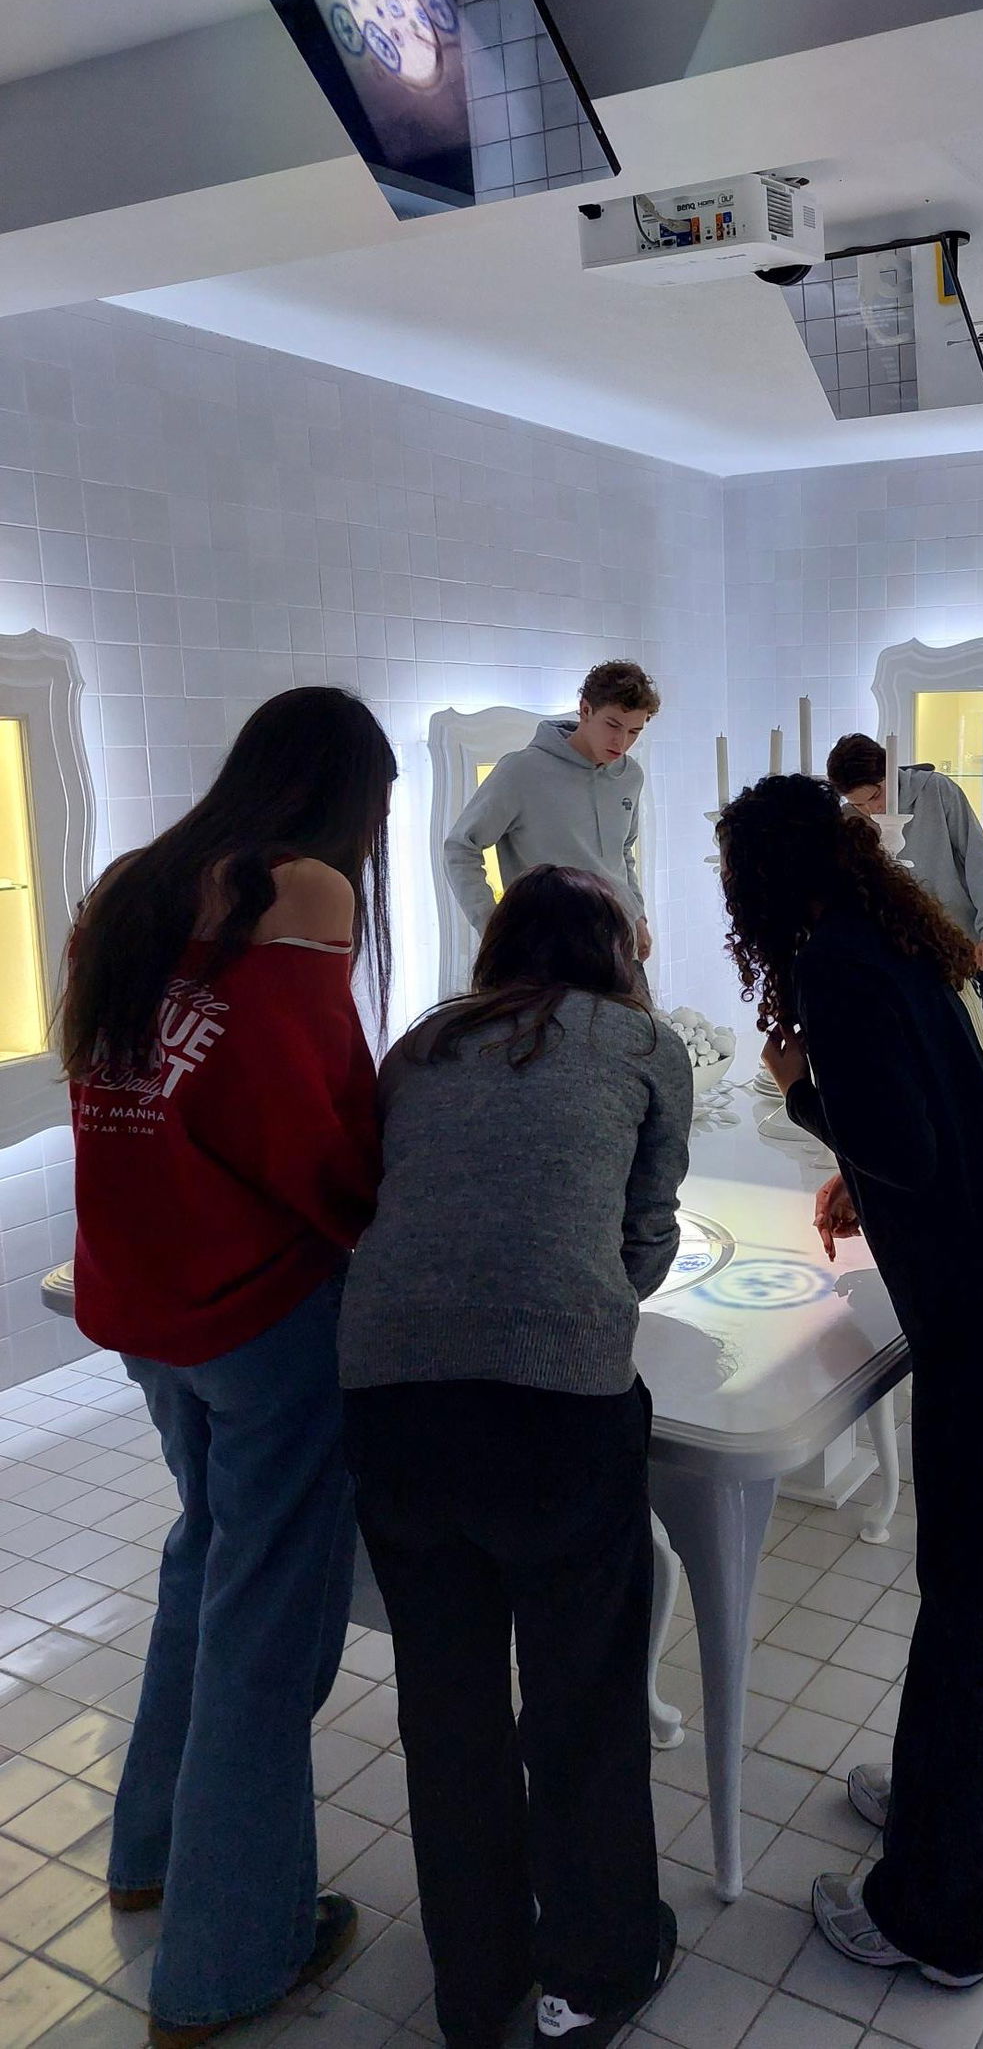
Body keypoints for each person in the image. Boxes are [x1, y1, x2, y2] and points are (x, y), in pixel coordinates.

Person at [717, 775, 983, 1991]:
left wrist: (801, 1095)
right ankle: (973, 1802)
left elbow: (903, 1142)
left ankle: (937, 1912)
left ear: (759, 881)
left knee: (971, 1596)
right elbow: (974, 1110)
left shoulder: (833, 961)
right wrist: (868, 1174)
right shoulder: (902, 933)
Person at [60, 686, 396, 2048]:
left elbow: (118, 1093)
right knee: (268, 1623)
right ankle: (227, 1960)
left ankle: (149, 1852)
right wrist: (393, 1217)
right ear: (350, 799)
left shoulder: (133, 888)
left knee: (203, 1563)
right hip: (264, 1312)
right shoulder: (302, 891)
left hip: (143, 1295)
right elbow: (311, 1118)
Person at [338, 864, 693, 2049]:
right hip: (555, 1416)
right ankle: (591, 1973)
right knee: (581, 1698)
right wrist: (575, 1295)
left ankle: (473, 1981)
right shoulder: (644, 1046)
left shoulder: (423, 1044)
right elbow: (645, 1237)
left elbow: (398, 1198)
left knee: (447, 1706)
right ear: (616, 953)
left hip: (389, 1399)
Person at [443, 658, 658, 961]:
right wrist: (493, 927)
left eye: (634, 731)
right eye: (613, 725)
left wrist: (638, 915)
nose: (621, 742)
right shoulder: (522, 771)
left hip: (619, 948)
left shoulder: (630, 775)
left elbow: (623, 852)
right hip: (548, 954)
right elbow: (460, 847)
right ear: (585, 710)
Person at [825, 732, 983, 1014]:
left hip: (965, 949)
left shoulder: (936, 791)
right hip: (900, 960)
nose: (873, 809)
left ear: (888, 771)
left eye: (876, 795)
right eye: (859, 804)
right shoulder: (849, 820)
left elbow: (979, 861)